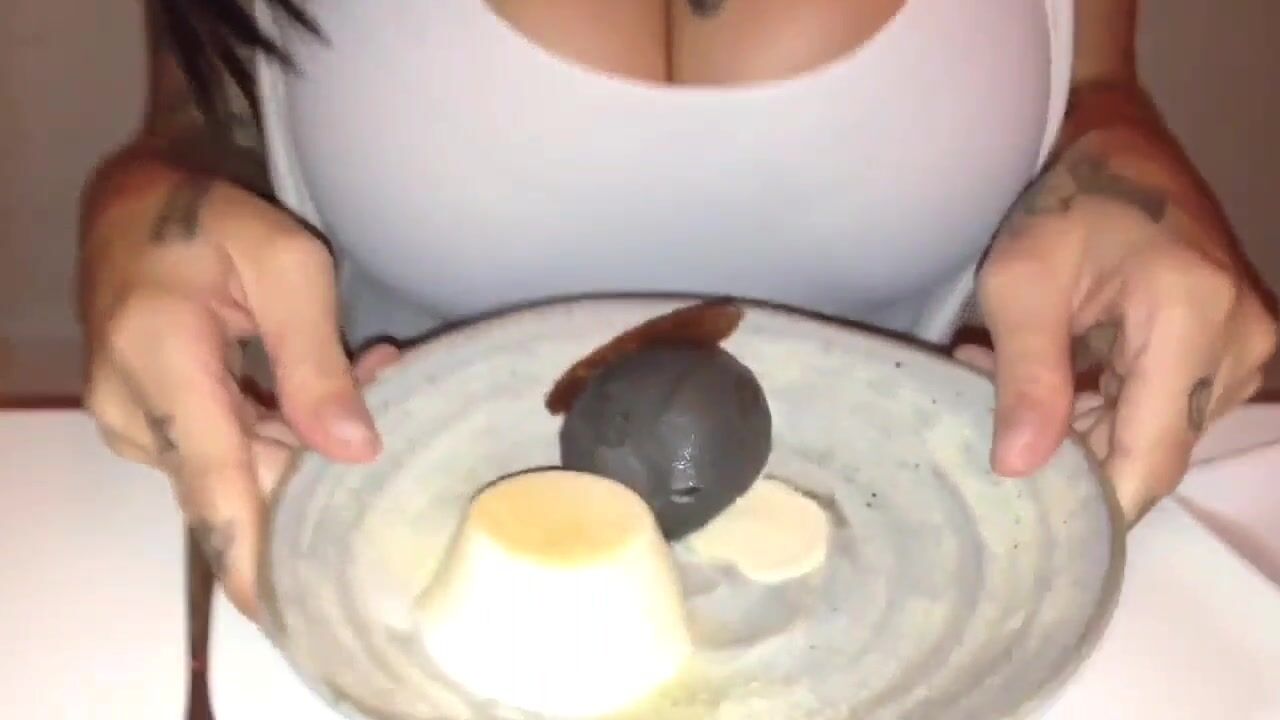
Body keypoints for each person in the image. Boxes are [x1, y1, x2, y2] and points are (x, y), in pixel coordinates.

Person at [79, 0, 1277, 621]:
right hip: (393, 568)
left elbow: (1093, 81)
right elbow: (209, 116)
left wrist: (1125, 165)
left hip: (917, 580)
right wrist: (141, 219)